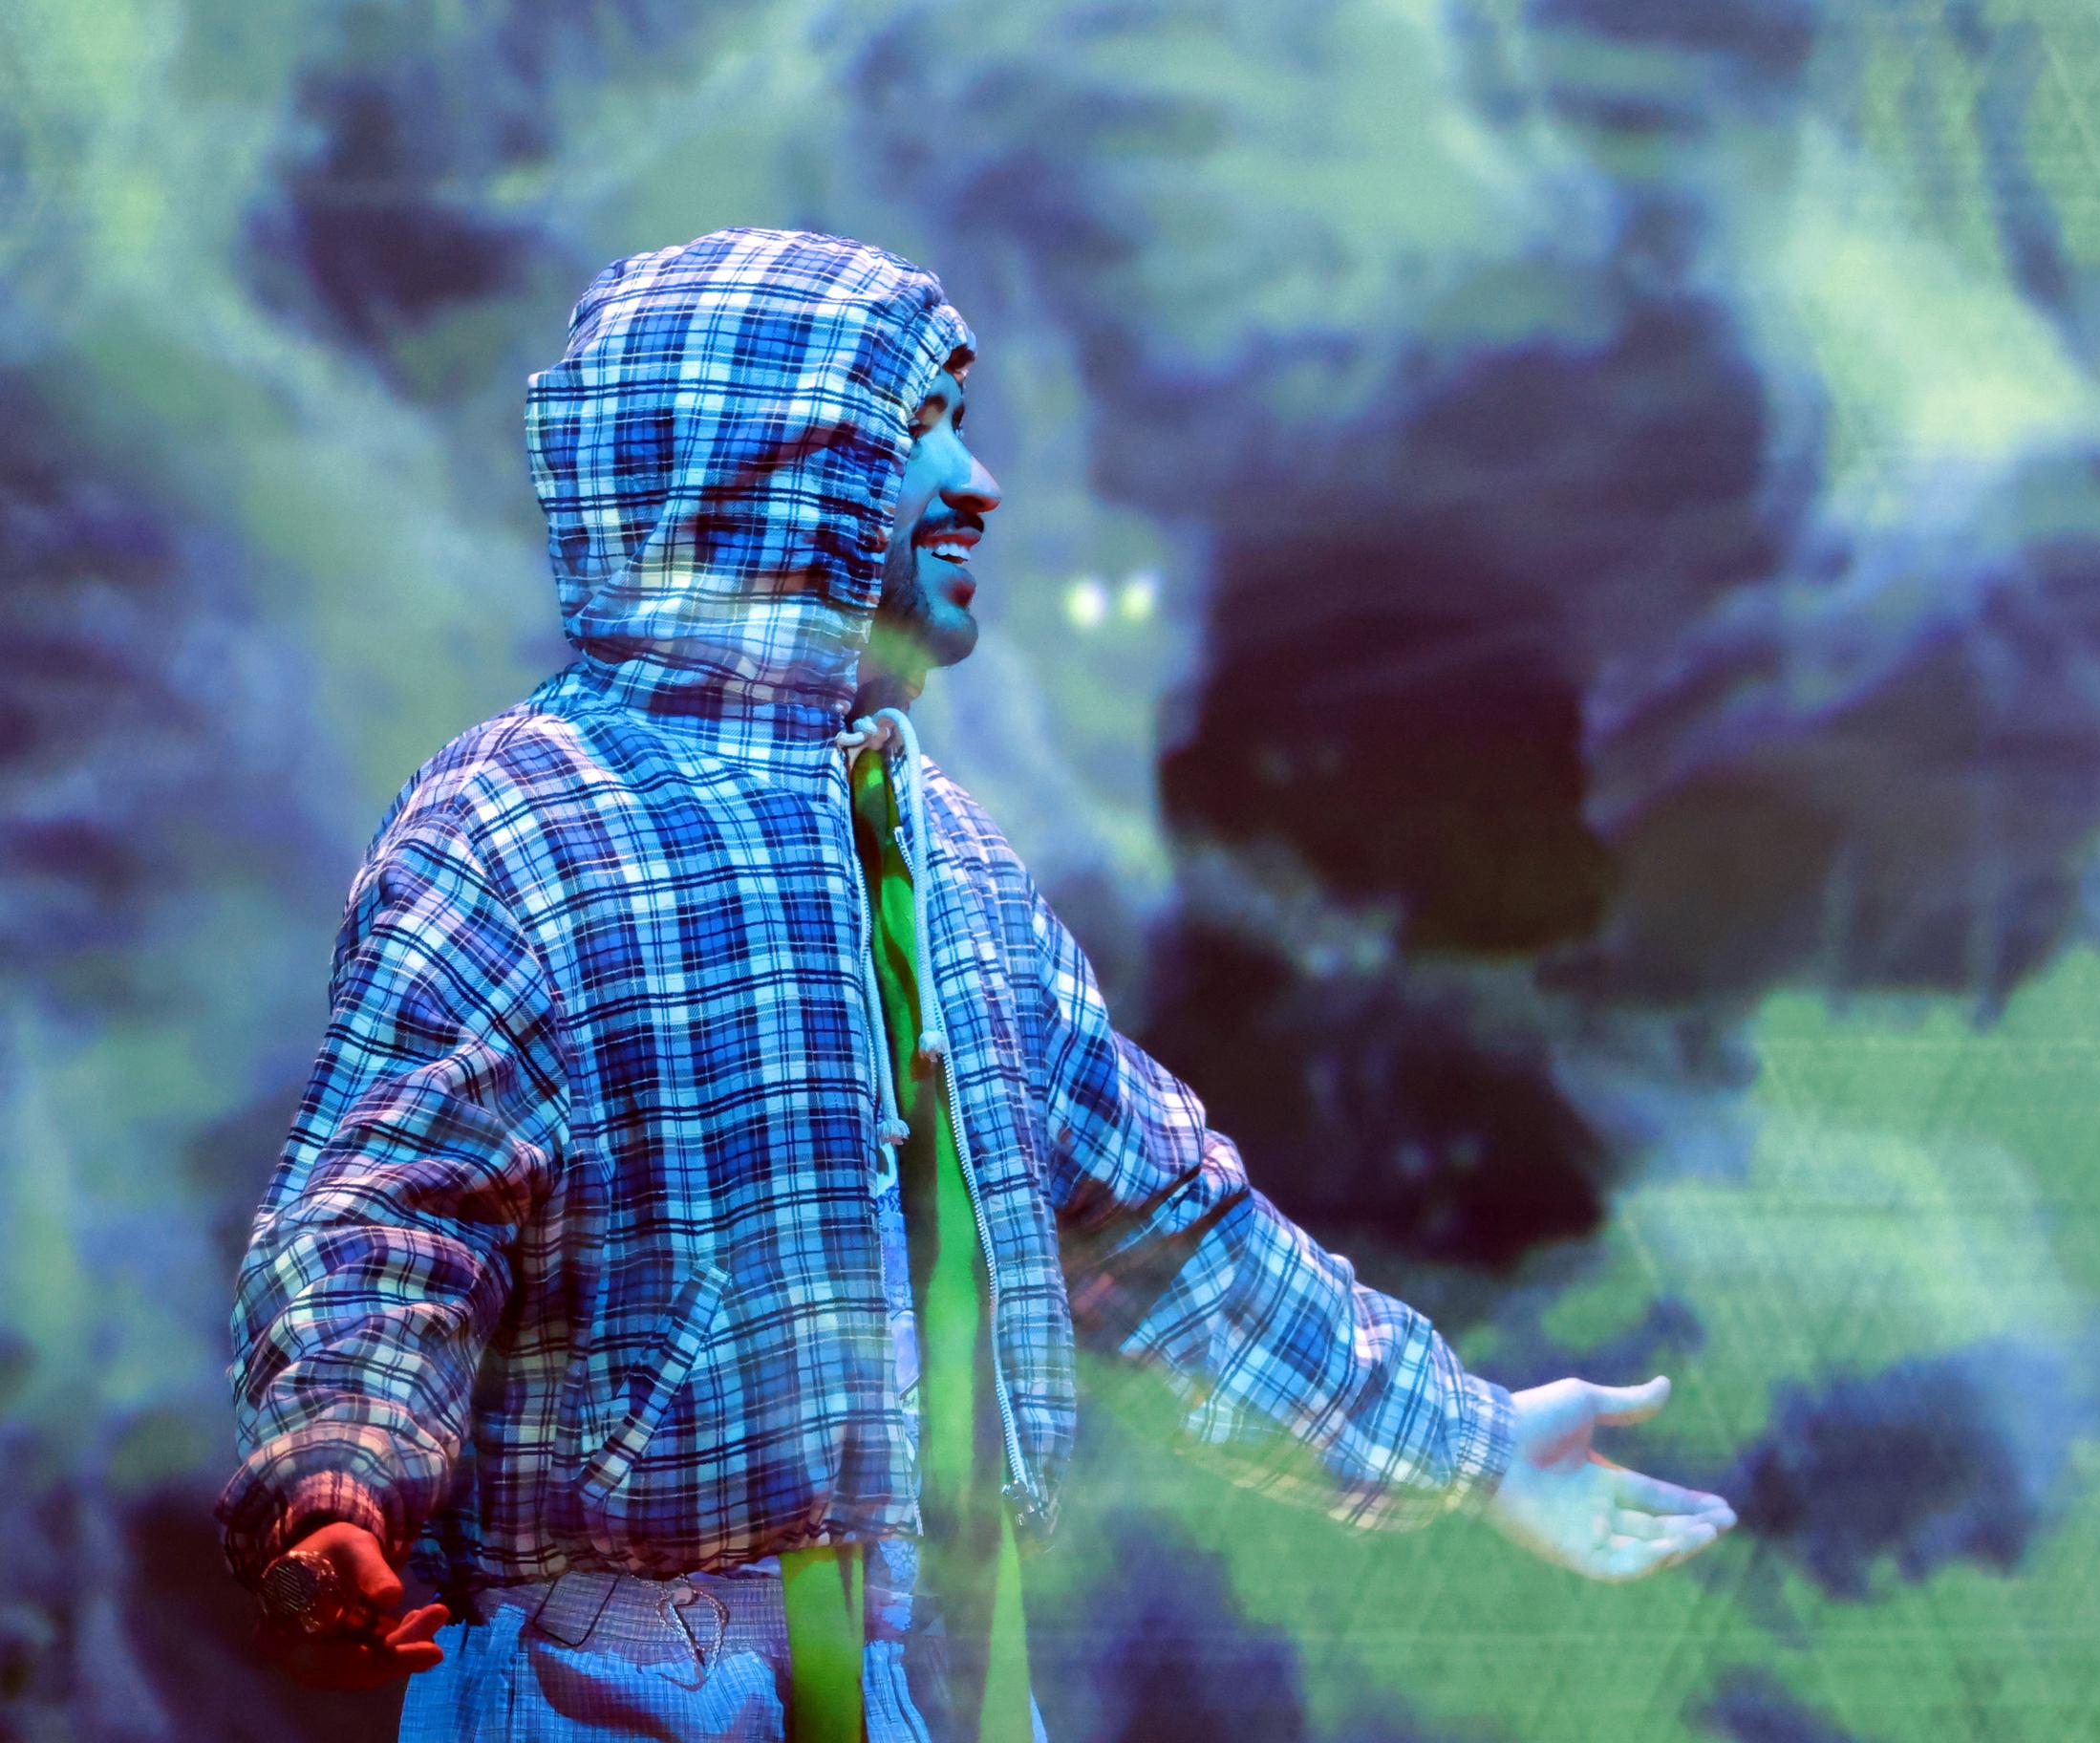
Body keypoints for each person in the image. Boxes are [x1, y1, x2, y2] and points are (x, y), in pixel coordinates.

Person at [215, 227, 1737, 1742]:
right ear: (776, 472)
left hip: (927, 1663)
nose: (976, 482)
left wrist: (1463, 1445)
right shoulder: (516, 827)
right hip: (615, 1681)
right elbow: (386, 1215)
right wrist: (334, 1474)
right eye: (916, 429)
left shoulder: (939, 857)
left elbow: (1156, 1227)